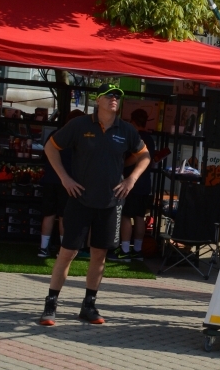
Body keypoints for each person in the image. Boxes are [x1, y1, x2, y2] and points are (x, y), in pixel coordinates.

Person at [38, 82, 149, 326]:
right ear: (97, 100)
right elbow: (50, 147)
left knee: (99, 255)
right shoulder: (79, 125)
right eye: (109, 96)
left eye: (117, 97)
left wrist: (131, 179)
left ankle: (88, 305)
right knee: (68, 252)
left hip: (110, 204)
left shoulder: (126, 130)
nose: (114, 100)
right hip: (80, 201)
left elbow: (144, 155)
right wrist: (65, 178)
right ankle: (51, 303)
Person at [37, 110, 84, 259]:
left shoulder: (55, 135)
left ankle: (43, 248)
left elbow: (44, 154)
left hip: (50, 180)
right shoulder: (79, 138)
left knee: (49, 214)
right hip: (68, 182)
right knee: (64, 216)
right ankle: (62, 251)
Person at [118, 108, 155, 261]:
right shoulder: (151, 139)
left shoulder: (135, 137)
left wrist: (122, 165)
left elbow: (135, 158)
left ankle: (125, 250)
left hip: (131, 182)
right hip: (145, 183)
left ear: (133, 121)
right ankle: (138, 250)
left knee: (126, 216)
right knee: (139, 216)